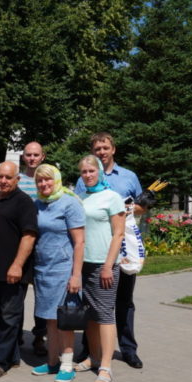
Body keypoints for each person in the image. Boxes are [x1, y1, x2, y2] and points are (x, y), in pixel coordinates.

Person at [74, 132, 144, 369]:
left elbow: (141, 206)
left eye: (105, 148)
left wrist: (136, 207)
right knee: (93, 303)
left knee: (124, 300)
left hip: (122, 248)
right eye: (97, 149)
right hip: (93, 252)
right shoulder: (83, 180)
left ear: (113, 149)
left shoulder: (128, 177)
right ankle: (89, 350)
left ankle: (127, 349)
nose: (101, 152)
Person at [0, 162, 37, 381]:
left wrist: (17, 265)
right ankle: (12, 356)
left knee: (9, 317)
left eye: (8, 178)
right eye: (0, 177)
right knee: (1, 317)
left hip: (13, 271)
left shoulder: (23, 202)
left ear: (17, 180)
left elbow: (29, 235)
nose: (3, 181)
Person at [30, 164, 85, 382]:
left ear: (57, 180)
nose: (44, 184)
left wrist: (76, 275)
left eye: (48, 180)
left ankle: (67, 364)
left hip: (63, 269)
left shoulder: (69, 203)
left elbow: (80, 242)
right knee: (49, 320)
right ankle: (52, 362)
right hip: (43, 270)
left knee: (64, 319)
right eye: (40, 181)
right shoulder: (38, 205)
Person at [75, 155, 125, 382]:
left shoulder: (112, 197)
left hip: (103, 265)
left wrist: (108, 265)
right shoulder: (80, 196)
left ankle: (106, 366)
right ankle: (93, 357)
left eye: (91, 171)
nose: (87, 175)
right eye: (84, 172)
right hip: (82, 264)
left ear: (99, 172)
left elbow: (119, 233)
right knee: (90, 315)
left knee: (104, 315)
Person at [17, 141, 48, 356]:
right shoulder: (17, 181)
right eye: (28, 155)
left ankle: (40, 336)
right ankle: (14, 333)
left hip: (43, 246)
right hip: (19, 245)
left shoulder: (49, 180)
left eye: (36, 155)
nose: (32, 159)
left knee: (43, 295)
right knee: (16, 294)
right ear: (23, 157)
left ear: (42, 156)